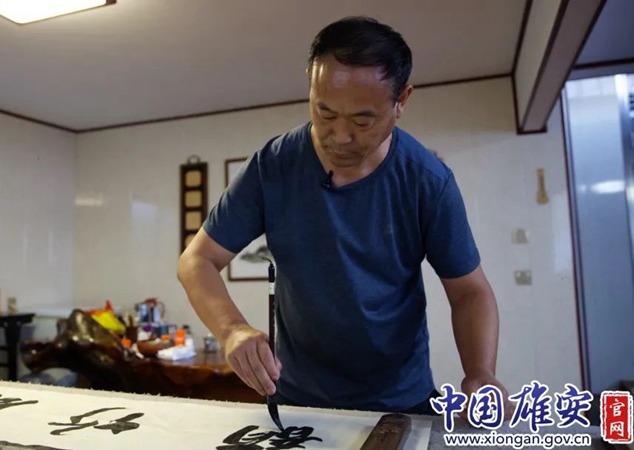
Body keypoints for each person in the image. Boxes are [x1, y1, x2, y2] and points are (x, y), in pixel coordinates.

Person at [177, 15, 511, 416]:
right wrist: (232, 329)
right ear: (310, 84)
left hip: (400, 400)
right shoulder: (272, 168)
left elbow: (469, 291)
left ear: (402, 101)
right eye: (325, 112)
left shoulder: (427, 181)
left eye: (362, 120)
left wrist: (480, 373)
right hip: (297, 398)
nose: (339, 136)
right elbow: (197, 260)